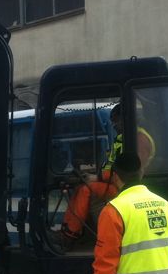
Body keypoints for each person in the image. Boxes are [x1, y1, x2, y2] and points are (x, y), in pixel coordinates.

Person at [60, 104, 155, 245]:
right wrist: (94, 173)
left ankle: (70, 236)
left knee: (87, 189)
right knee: (81, 186)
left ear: (127, 120)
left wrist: (97, 178)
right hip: (117, 182)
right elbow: (112, 166)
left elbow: (131, 171)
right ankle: (67, 230)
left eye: (116, 121)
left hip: (126, 187)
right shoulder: (125, 139)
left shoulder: (139, 139)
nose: (114, 125)